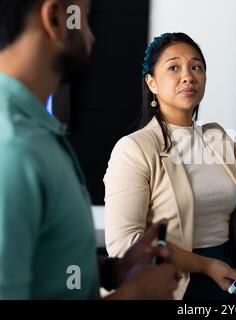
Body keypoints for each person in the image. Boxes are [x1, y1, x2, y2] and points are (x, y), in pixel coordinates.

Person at [104, 32, 236, 299]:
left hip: (225, 281)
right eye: (174, 67)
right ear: (152, 82)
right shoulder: (135, 149)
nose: (188, 76)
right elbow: (124, 245)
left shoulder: (215, 138)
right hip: (170, 284)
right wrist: (205, 265)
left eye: (196, 67)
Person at [0, 0, 178, 299]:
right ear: (57, 17)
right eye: (83, 17)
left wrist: (114, 270)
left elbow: (48, 265)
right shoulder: (12, 147)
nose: (92, 36)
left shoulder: (35, 131)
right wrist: (134, 295)